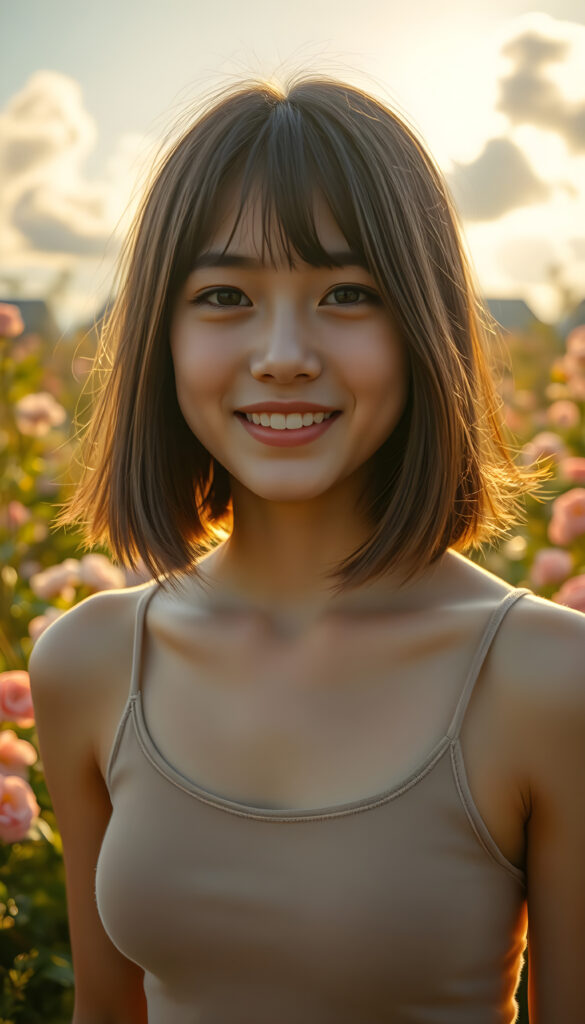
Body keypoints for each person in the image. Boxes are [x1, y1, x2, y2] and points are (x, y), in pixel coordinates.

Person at [28, 74, 585, 1024]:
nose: (283, 353)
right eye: (223, 295)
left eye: (346, 293)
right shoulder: (88, 661)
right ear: (160, 335)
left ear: (424, 327)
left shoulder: (547, 679)